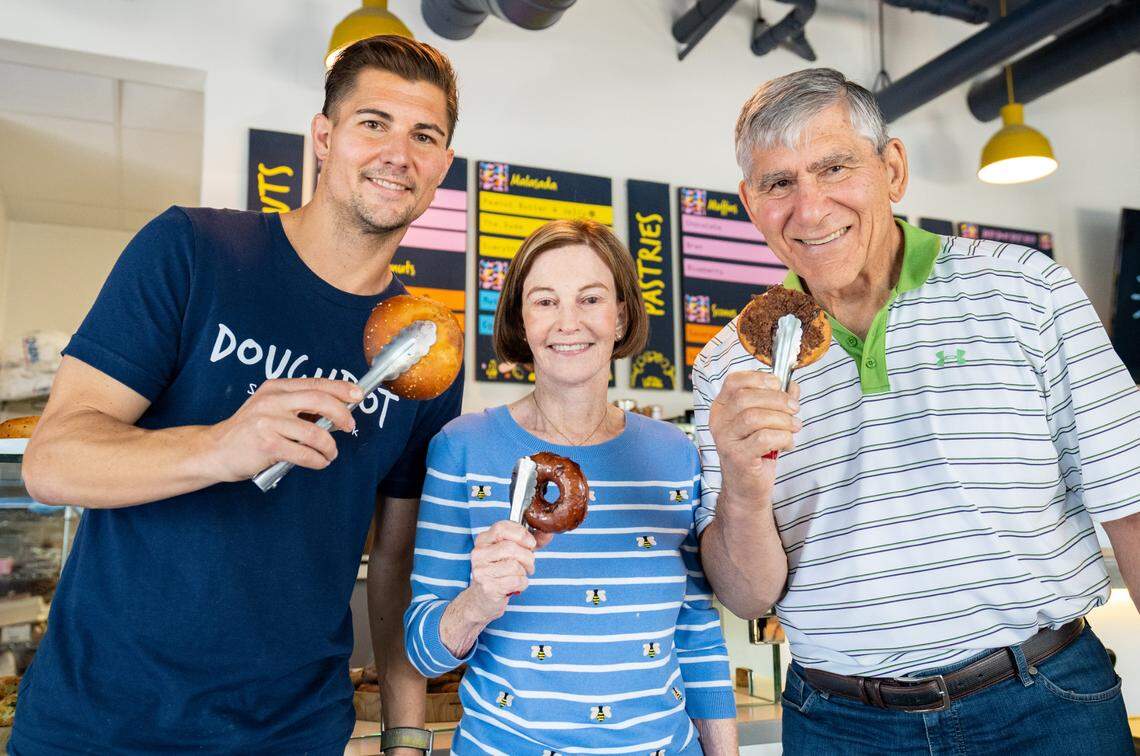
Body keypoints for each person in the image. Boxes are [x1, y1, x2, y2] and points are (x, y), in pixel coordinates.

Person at [10, 36, 463, 755]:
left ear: (442, 164)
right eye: (372, 122)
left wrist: (407, 733)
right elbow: (52, 461)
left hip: (294, 731)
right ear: (324, 137)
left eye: (425, 135)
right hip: (103, 721)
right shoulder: (192, 250)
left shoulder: (428, 348)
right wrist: (223, 444)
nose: (398, 152)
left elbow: (396, 565)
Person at [693, 67, 1140, 755]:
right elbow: (747, 598)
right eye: (779, 183)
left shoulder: (1028, 292)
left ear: (892, 169)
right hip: (838, 724)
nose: (809, 209)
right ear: (752, 203)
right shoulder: (729, 365)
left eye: (834, 167)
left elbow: (1132, 505)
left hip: (1043, 707)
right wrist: (744, 489)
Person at [402, 219, 738, 754]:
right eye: (544, 301)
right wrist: (478, 601)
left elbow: (696, 629)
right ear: (519, 317)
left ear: (621, 313)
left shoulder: (675, 454)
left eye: (590, 298)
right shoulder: (461, 447)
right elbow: (423, 652)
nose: (568, 322)